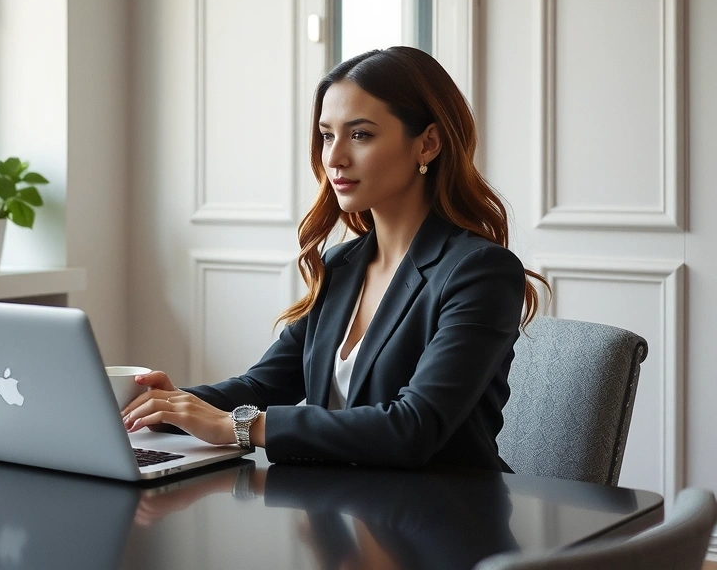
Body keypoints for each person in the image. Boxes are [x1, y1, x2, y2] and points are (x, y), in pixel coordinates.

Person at [122, 46, 547, 472]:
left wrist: (240, 427)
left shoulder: (480, 271)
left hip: (445, 508)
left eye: (360, 135)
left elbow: (413, 427)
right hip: (340, 503)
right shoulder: (342, 265)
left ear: (428, 144)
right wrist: (164, 405)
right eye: (327, 135)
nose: (334, 157)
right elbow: (262, 386)